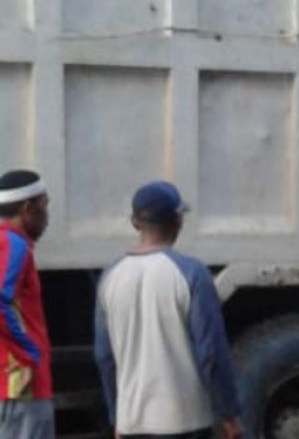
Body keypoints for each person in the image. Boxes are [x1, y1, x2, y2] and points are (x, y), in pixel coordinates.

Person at [93, 181, 241, 439]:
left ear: (134, 223)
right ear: (177, 222)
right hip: (186, 422)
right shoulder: (192, 273)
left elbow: (104, 356)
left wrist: (117, 416)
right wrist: (228, 413)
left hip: (132, 425)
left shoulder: (110, 276)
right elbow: (211, 352)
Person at [0, 170, 53, 439]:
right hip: (21, 387)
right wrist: (29, 354)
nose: (46, 215)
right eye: (44, 205)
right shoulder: (13, 244)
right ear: (27, 208)